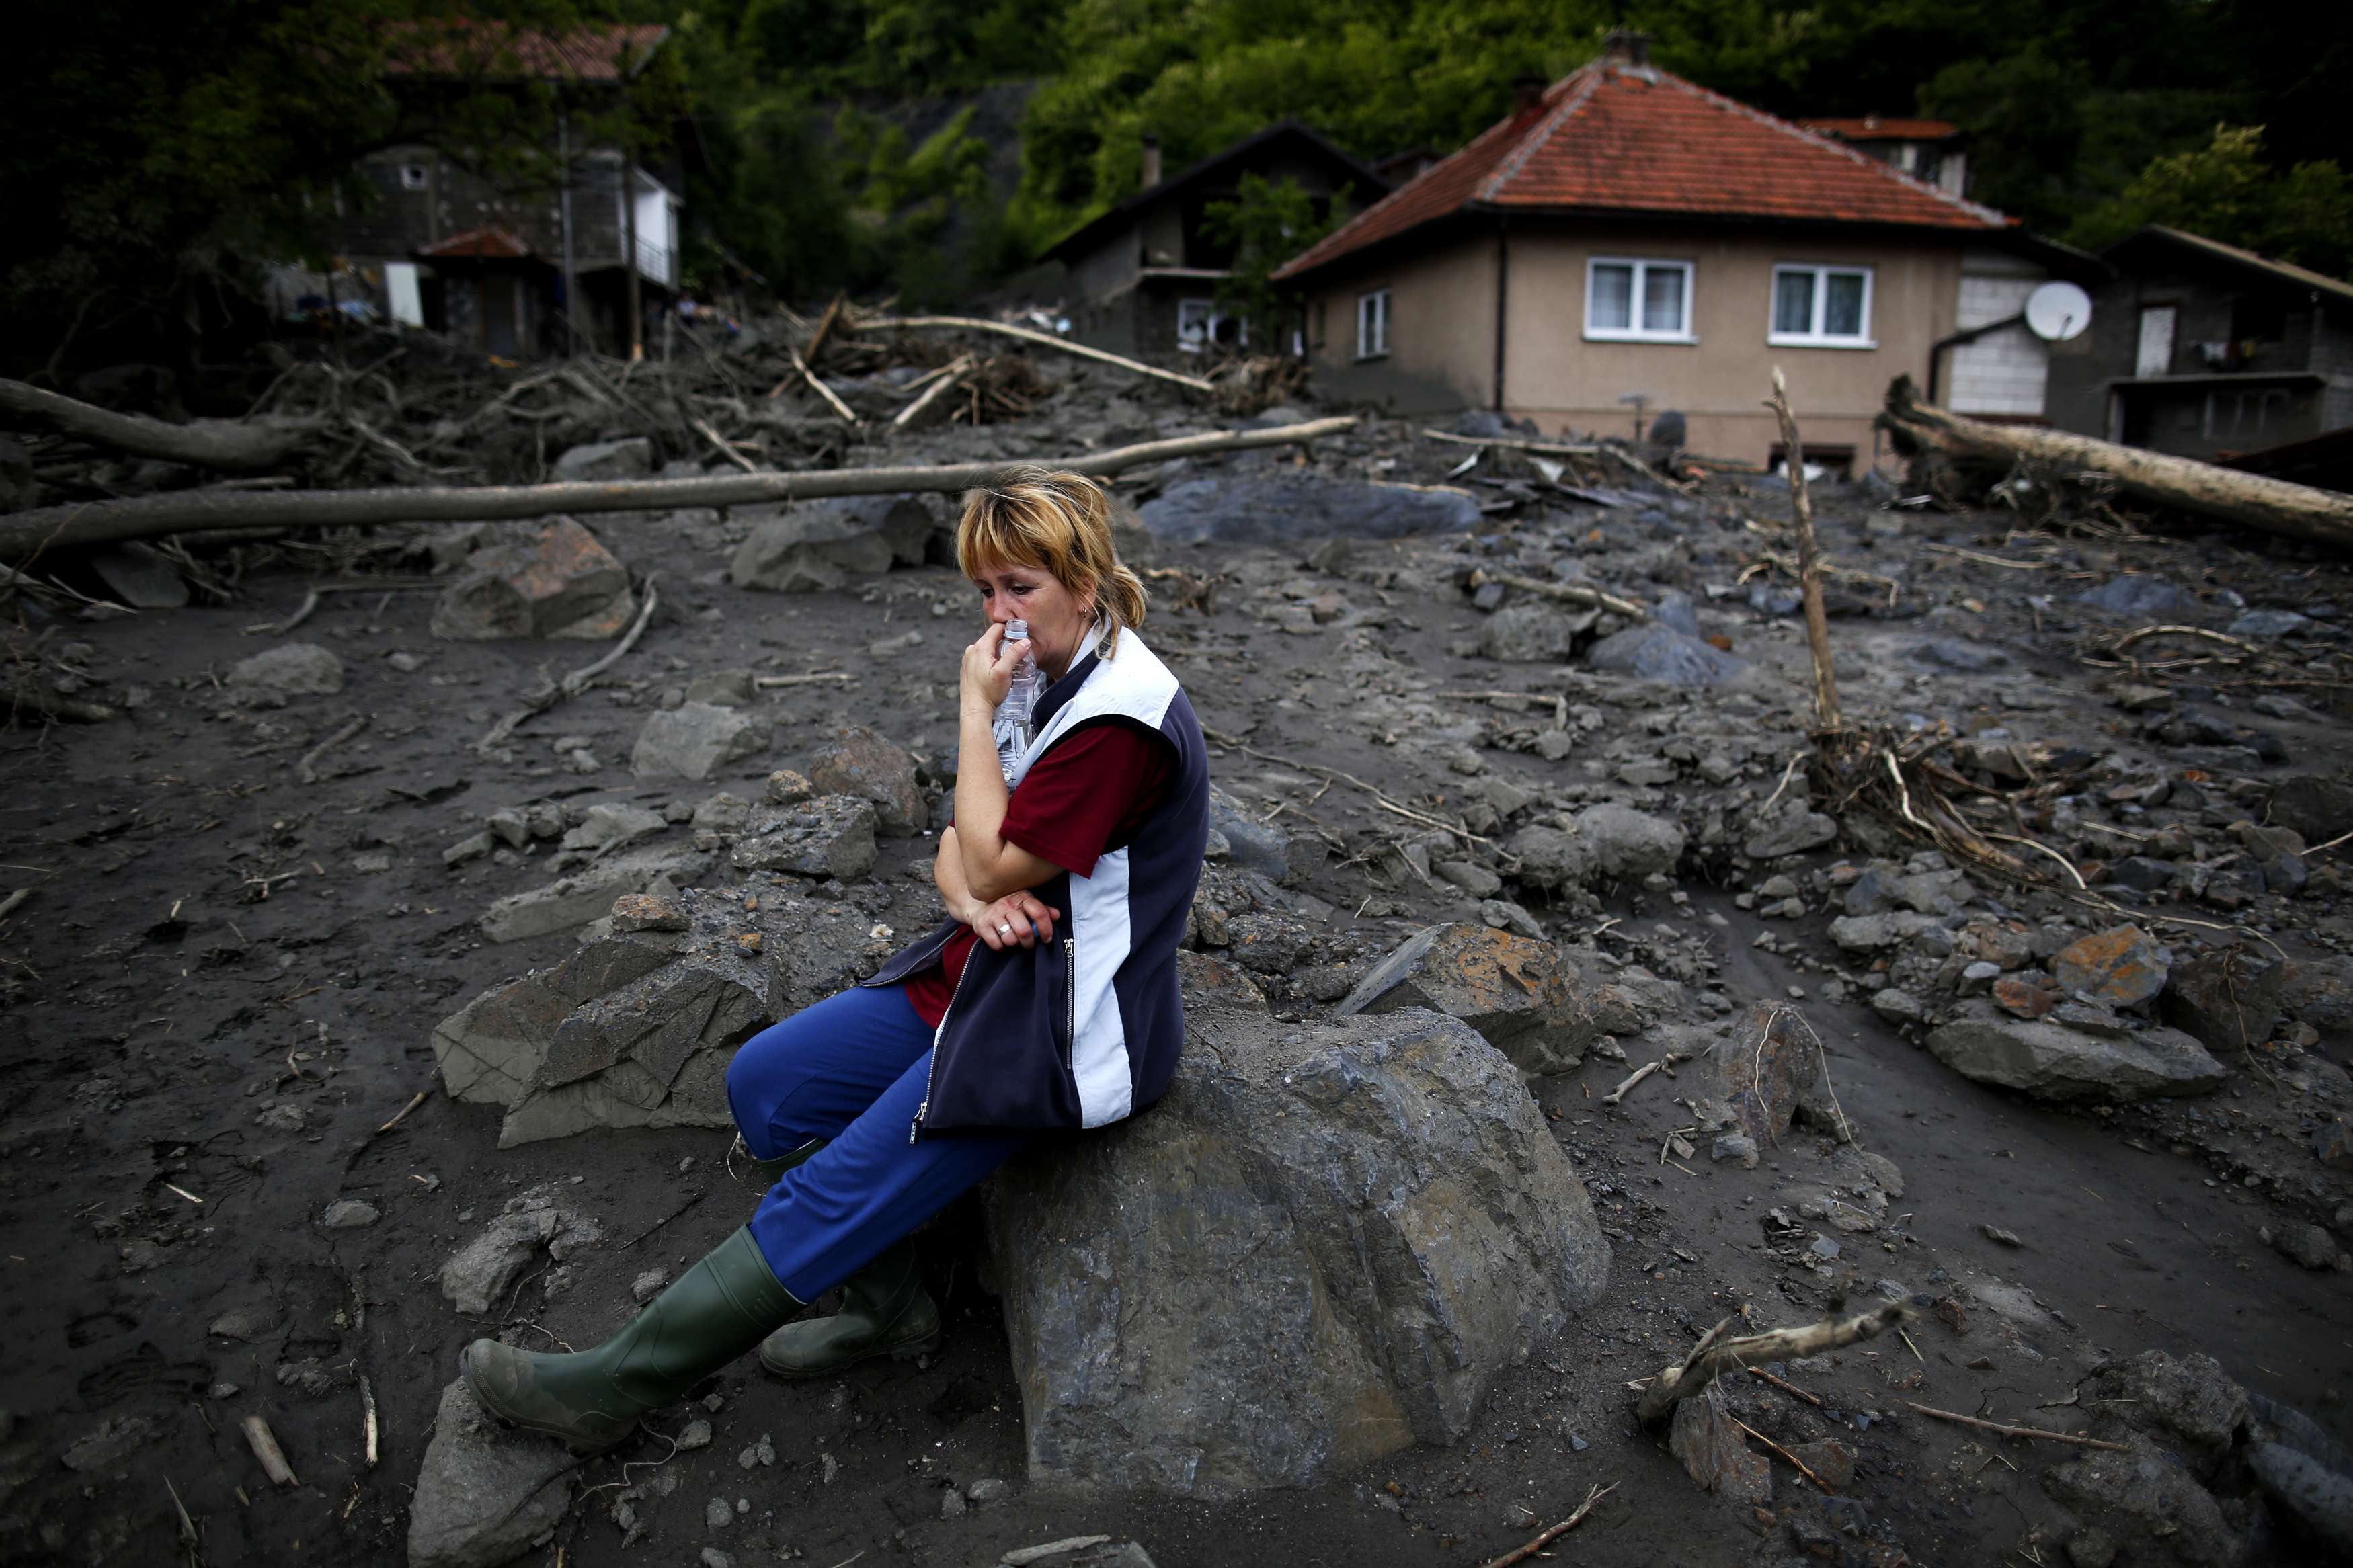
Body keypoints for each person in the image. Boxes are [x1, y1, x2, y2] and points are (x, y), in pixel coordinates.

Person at [459, 467, 1211, 1450]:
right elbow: (957, 852)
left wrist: (969, 716)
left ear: (1083, 575)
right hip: (991, 965)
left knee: (829, 1188)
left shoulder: (1118, 715)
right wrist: (965, 897)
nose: (997, 614)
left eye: (1018, 586)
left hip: (1063, 1026)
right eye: (984, 591)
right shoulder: (1054, 668)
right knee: (768, 1084)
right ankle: (892, 1308)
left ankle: (615, 1385)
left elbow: (983, 844)